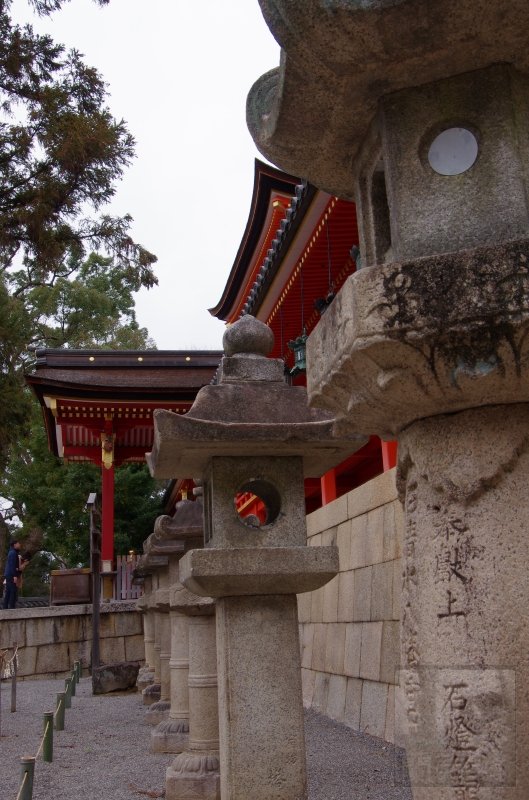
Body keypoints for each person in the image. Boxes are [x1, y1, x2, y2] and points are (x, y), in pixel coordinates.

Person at [3, 539, 22, 609]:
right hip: (11, 574)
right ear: (14, 545)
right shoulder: (13, 553)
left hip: (8, 574)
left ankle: (5, 607)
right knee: (13, 591)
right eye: (18, 544)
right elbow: (12, 565)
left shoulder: (12, 552)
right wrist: (14, 575)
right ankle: (11, 607)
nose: (19, 545)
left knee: (8, 591)